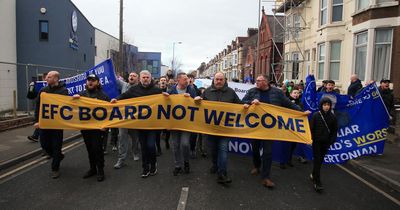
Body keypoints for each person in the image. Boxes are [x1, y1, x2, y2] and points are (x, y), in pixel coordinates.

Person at [242, 75, 304, 188]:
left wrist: (301, 112)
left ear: (265, 82)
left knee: (268, 152)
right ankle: (256, 166)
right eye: (256, 81)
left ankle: (266, 177)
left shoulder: (277, 92)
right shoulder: (252, 91)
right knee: (255, 149)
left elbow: (288, 104)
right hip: (255, 128)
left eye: (258, 81)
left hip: (270, 128)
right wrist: (251, 102)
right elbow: (243, 102)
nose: (256, 82)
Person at [111, 70, 162, 178]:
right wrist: (116, 99)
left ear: (151, 78)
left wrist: (167, 95)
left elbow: (167, 100)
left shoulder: (157, 90)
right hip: (140, 125)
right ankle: (145, 168)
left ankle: (153, 164)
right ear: (140, 79)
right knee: (143, 147)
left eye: (147, 77)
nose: (145, 79)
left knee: (151, 146)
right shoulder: (134, 89)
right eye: (143, 77)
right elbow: (124, 95)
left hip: (152, 125)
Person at [194, 72, 242, 184]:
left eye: (221, 79)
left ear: (225, 80)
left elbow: (240, 104)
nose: (219, 81)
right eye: (217, 79)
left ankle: (222, 174)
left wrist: (248, 105)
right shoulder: (207, 92)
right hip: (210, 129)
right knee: (214, 150)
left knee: (224, 151)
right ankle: (215, 164)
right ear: (213, 80)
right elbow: (198, 105)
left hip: (225, 129)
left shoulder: (231, 92)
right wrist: (196, 100)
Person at [72, 74, 110, 182]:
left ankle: (100, 170)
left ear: (97, 82)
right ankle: (92, 169)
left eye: (93, 80)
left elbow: (109, 114)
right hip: (85, 128)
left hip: (98, 129)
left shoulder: (103, 96)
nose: (90, 82)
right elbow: (72, 108)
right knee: (89, 149)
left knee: (97, 149)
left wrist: (105, 127)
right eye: (89, 80)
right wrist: (73, 100)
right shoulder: (81, 95)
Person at [33, 71, 68, 179]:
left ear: (56, 79)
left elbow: (67, 106)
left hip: (57, 125)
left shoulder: (63, 91)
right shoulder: (43, 90)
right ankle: (58, 156)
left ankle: (55, 169)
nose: (46, 78)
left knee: (56, 147)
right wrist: (36, 121)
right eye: (47, 76)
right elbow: (38, 106)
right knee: (45, 145)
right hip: (45, 124)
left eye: (49, 76)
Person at [164, 72, 197, 175]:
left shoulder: (191, 89)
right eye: (185, 79)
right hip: (174, 124)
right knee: (175, 145)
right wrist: (165, 97)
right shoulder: (171, 90)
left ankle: (186, 162)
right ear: (178, 80)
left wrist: (191, 98)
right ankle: (178, 165)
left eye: (187, 79)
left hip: (186, 123)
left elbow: (196, 103)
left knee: (185, 144)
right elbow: (165, 106)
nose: (187, 81)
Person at [309, 97, 338, 192]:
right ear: (321, 105)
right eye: (324, 105)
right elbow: (311, 129)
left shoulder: (333, 117)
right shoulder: (316, 115)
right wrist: (311, 139)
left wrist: (331, 141)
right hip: (316, 142)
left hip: (326, 143)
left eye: (328, 105)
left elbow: (334, 131)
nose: (326, 107)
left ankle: (313, 174)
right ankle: (317, 182)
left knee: (320, 161)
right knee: (317, 160)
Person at [114, 72, 141, 169]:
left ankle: (135, 152)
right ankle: (121, 159)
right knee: (121, 137)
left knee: (135, 137)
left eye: (134, 76)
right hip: (123, 117)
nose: (132, 77)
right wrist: (109, 65)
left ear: (137, 79)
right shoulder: (124, 85)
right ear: (128, 78)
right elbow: (114, 79)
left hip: (134, 118)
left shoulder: (140, 88)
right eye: (130, 76)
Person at [288, 88, 307, 164]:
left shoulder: (300, 103)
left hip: (296, 125)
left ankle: (289, 160)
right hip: (287, 125)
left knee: (294, 144)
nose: (296, 94)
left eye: (298, 93)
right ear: (290, 94)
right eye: (294, 93)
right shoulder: (287, 101)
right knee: (286, 144)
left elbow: (301, 112)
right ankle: (283, 161)